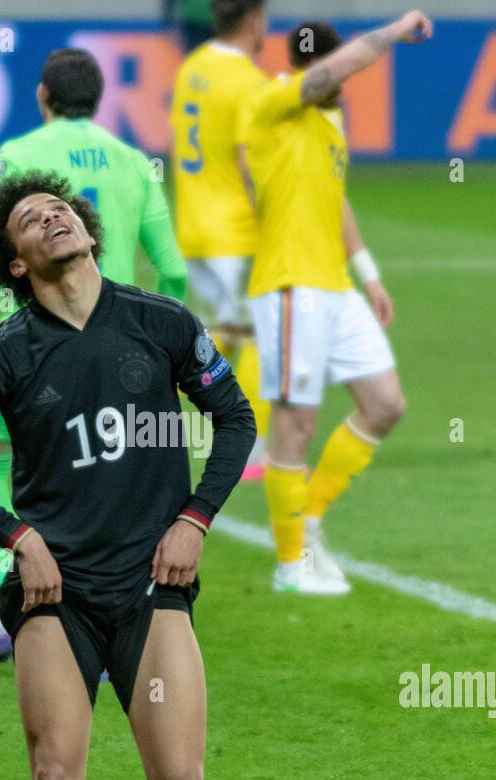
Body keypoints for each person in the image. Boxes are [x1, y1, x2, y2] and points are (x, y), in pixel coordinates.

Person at [0, 170, 255, 780]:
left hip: (150, 588)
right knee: (53, 777)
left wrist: (194, 519)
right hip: (55, 593)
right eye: (30, 221)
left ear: (87, 229)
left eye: (59, 210)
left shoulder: (161, 322)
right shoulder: (2, 353)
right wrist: (20, 537)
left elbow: (235, 418)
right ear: (17, 264)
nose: (50, 219)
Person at [0, 48, 187, 670]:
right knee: (104, 472)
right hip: (117, 346)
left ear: (43, 96)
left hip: (31, 342)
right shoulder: (136, 162)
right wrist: (162, 341)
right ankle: (117, 625)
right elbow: (172, 267)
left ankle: (7, 618)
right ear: (99, 98)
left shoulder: (19, 154)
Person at [241, 12, 432, 595]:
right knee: (295, 424)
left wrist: (368, 273)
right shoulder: (277, 101)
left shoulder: (327, 126)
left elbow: (336, 201)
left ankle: (313, 518)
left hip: (334, 286)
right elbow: (337, 68)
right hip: (292, 287)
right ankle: (290, 565)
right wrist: (395, 30)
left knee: (385, 403)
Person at [169, 0, 272, 480]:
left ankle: (207, 435)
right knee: (256, 337)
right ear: (254, 21)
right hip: (234, 230)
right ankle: (251, 449)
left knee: (219, 337)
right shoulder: (248, 82)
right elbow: (252, 161)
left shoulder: (193, 66)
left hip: (193, 225)